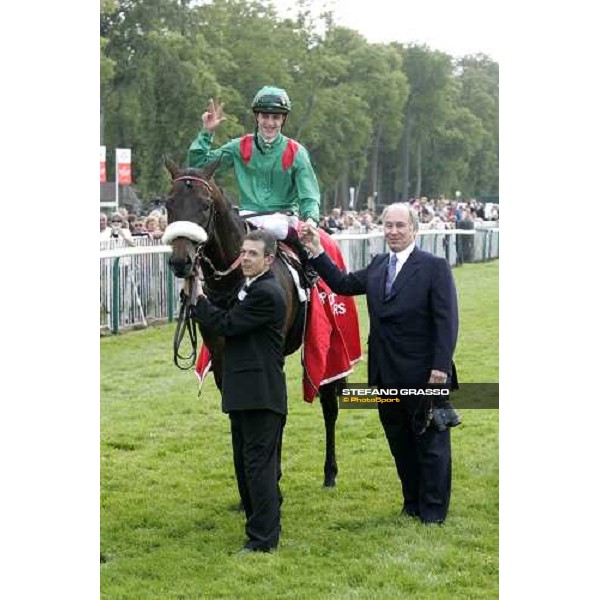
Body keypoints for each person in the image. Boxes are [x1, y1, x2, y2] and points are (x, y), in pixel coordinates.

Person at [300, 203, 460, 524]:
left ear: (414, 228)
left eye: (400, 225)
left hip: (423, 374)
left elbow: (447, 322)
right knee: (399, 442)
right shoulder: (377, 265)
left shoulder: (434, 267)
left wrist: (439, 369)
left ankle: (433, 511)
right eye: (388, 225)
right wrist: (316, 249)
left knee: (430, 444)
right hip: (385, 374)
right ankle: (411, 502)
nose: (393, 232)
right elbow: (343, 284)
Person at [190, 229, 287, 553]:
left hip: (261, 394)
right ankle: (259, 526)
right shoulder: (250, 286)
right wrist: (197, 285)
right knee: (247, 465)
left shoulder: (267, 293)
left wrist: (199, 298)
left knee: (258, 468)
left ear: (269, 259)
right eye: (243, 252)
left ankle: (263, 539)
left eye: (253, 254)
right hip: (245, 392)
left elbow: (227, 323)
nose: (244, 258)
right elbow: (224, 302)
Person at [187, 86, 320, 265]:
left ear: (283, 119)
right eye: (265, 116)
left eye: (276, 117)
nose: (270, 123)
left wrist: (311, 219)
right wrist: (207, 133)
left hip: (283, 218)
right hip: (247, 217)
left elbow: (309, 194)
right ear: (257, 117)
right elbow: (200, 166)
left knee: (275, 227)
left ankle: (307, 268)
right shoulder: (239, 146)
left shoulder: (297, 152)